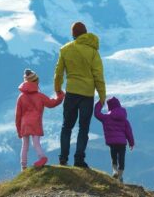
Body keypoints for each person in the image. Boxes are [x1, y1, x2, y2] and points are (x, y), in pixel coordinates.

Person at [54, 22, 106, 168]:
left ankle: (63, 158)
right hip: (87, 95)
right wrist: (102, 97)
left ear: (73, 34)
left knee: (66, 126)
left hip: (71, 93)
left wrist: (58, 89)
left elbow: (58, 73)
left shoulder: (65, 50)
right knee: (83, 128)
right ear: (86, 33)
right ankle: (79, 160)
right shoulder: (93, 52)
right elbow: (98, 76)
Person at [16, 69, 65, 170]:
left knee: (25, 145)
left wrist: (18, 130)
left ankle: (23, 166)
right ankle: (42, 157)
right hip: (35, 123)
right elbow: (52, 103)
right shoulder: (39, 96)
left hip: (24, 124)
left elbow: (18, 115)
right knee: (36, 142)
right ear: (35, 82)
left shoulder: (21, 97)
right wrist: (60, 96)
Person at [94, 97, 135, 183]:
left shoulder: (106, 117)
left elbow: (97, 113)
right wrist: (131, 143)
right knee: (121, 159)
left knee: (114, 157)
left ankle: (114, 171)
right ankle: (120, 177)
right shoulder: (124, 119)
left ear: (109, 107)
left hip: (112, 143)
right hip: (122, 143)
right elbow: (129, 132)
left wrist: (100, 102)